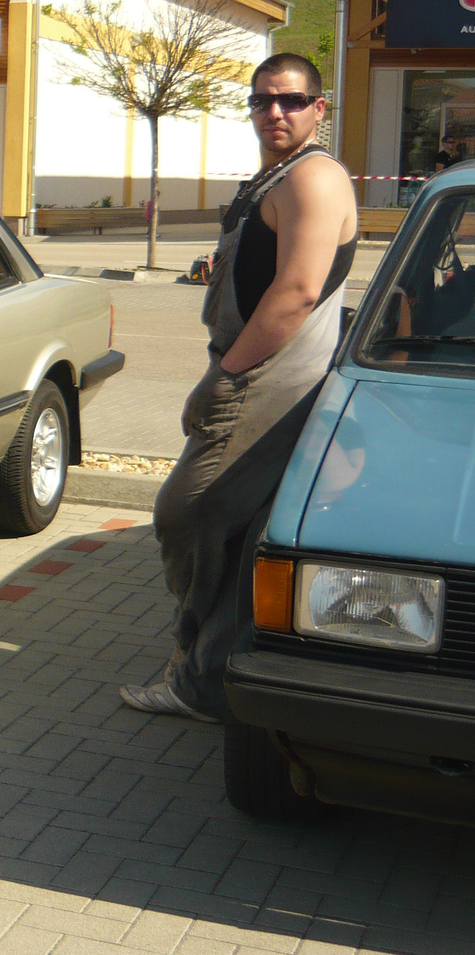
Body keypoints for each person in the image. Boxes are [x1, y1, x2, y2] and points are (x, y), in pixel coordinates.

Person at [121, 52, 357, 723]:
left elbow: (298, 292)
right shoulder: (275, 176)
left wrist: (224, 379)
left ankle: (199, 675)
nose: (274, 112)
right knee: (232, 532)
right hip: (248, 373)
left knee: (186, 516)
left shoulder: (314, 180)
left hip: (269, 386)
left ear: (320, 107)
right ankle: (206, 671)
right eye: (261, 101)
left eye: (290, 100)